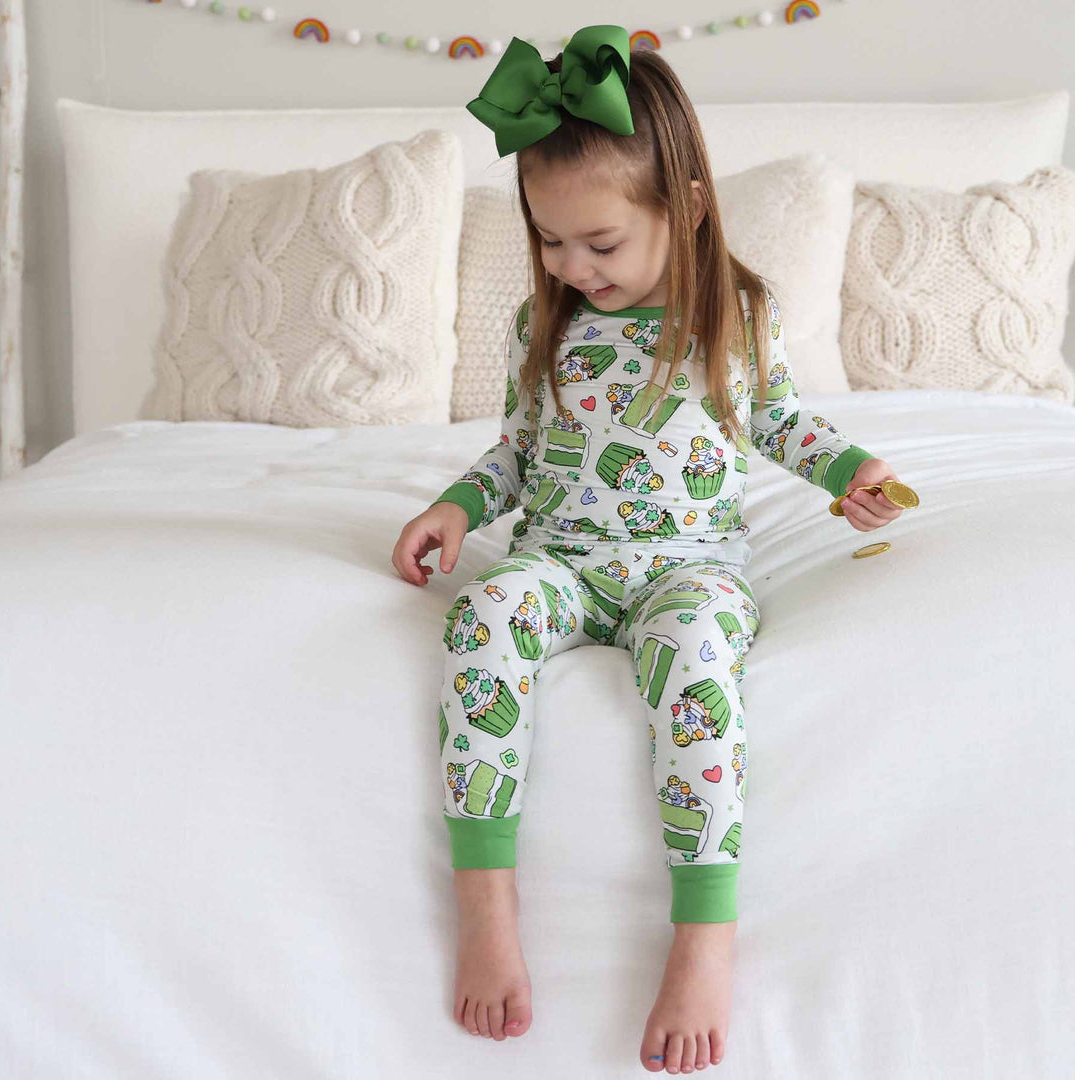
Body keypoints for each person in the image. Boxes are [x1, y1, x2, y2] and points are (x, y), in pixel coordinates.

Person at [391, 25, 907, 1075]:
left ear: (686, 205)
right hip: (563, 560)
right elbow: (516, 455)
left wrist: (848, 472)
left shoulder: (736, 315)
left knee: (701, 670)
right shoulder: (551, 326)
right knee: (481, 618)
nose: (569, 266)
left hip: (689, 568)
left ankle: (702, 936)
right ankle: (486, 905)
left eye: (601, 244)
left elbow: (780, 425)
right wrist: (455, 506)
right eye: (548, 239)